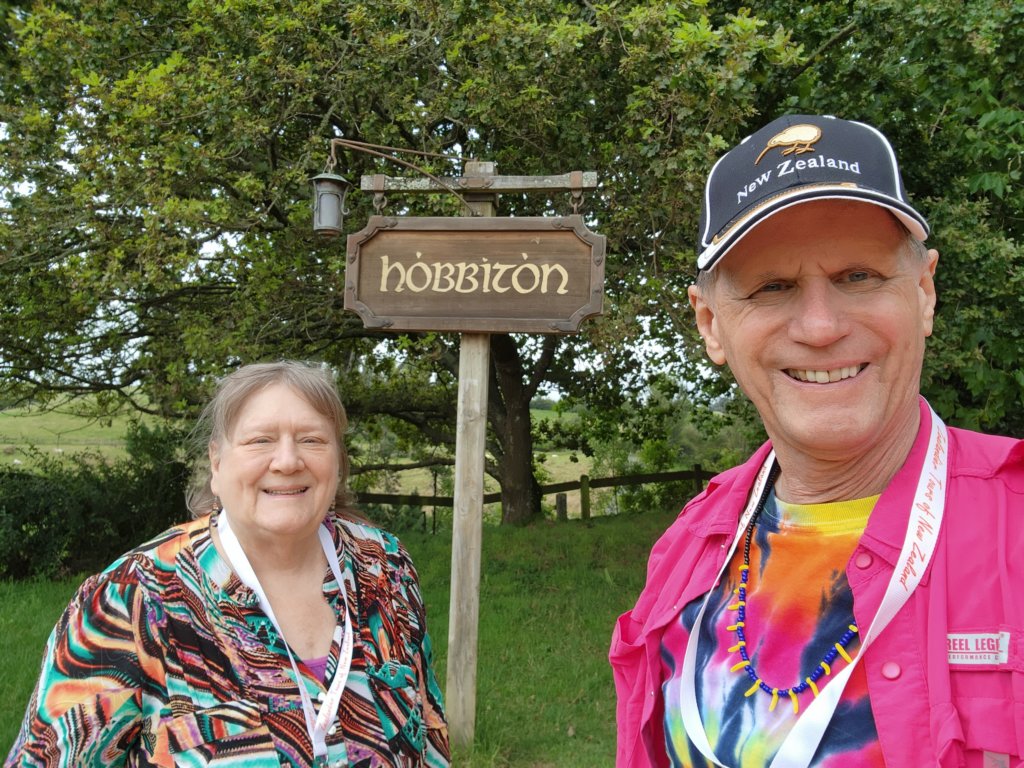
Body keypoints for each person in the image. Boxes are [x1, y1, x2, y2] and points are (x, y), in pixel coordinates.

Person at [610, 114, 1024, 768]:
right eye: (772, 287)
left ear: (923, 292)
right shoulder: (685, 551)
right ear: (712, 324)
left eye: (859, 276)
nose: (821, 327)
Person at [6, 360, 450, 767]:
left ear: (338, 462)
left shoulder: (385, 568)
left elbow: (429, 737)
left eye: (312, 440)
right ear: (216, 463)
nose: (288, 460)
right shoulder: (131, 599)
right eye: (260, 440)